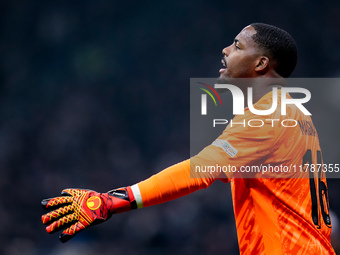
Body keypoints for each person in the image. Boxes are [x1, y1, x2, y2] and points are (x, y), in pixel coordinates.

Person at [41, 23, 336, 254]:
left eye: (237, 45)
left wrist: (113, 201)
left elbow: (199, 170)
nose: (225, 49)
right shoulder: (296, 114)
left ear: (260, 64)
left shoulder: (266, 118)